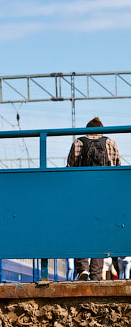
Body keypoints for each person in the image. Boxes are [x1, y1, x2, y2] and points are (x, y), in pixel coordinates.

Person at [66, 117, 121, 280]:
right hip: (104, 194)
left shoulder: (78, 143)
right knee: (101, 230)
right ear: (101, 131)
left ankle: (82, 268)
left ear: (87, 130)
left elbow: (70, 168)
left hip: (82, 194)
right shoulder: (110, 143)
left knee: (80, 228)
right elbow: (117, 168)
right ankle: (96, 274)